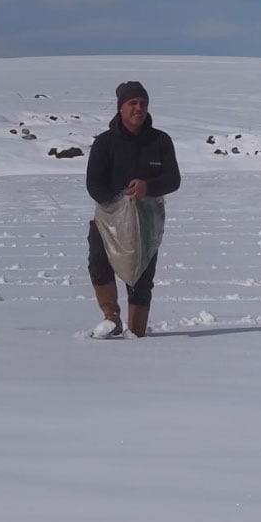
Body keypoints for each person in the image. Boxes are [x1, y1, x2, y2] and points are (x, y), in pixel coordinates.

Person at [85, 80, 181, 337]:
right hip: (109, 218)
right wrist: (118, 204)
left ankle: (136, 330)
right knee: (99, 262)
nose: (138, 108)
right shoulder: (105, 143)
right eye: (132, 103)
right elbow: (93, 183)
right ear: (121, 108)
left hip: (147, 220)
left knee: (142, 271)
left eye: (143, 103)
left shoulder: (160, 141)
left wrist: (148, 187)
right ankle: (111, 318)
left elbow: (173, 179)